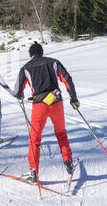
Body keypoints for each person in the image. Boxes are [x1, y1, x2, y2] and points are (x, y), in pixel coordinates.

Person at [13, 42, 79, 183]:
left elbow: (18, 90)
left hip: (40, 106)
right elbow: (67, 79)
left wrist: (20, 96)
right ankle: (68, 163)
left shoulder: (25, 68)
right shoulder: (53, 62)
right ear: (41, 52)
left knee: (35, 139)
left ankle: (34, 172)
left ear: (31, 54)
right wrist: (73, 98)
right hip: (56, 102)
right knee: (61, 133)